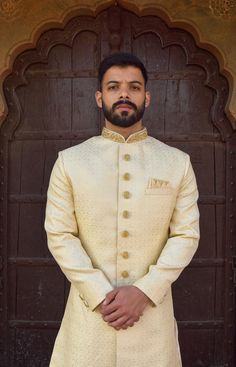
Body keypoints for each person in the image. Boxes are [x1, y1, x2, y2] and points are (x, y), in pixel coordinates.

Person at [45, 52, 200, 367]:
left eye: (134, 87)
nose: (125, 94)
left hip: (151, 321)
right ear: (100, 98)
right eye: (114, 87)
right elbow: (60, 234)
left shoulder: (176, 162)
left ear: (147, 97)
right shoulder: (70, 161)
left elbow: (186, 234)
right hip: (90, 319)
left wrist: (144, 292)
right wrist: (101, 295)